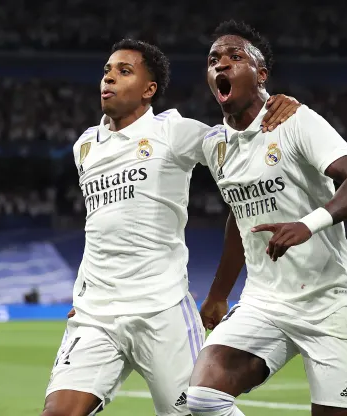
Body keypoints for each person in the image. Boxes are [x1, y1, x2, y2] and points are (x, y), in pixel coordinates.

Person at [42, 38, 302, 416]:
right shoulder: (85, 147)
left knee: (197, 411)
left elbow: (244, 150)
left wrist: (277, 111)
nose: (109, 78)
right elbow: (103, 227)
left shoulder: (174, 132)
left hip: (162, 311)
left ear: (149, 90)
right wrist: (85, 292)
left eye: (124, 71)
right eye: (107, 71)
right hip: (95, 315)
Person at [187, 21, 347, 416]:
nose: (221, 65)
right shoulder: (213, 145)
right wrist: (220, 293)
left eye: (234, 57)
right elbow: (237, 216)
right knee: (203, 398)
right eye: (213, 60)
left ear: (261, 75)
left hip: (330, 304)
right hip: (266, 303)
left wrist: (306, 224)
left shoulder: (296, 121)